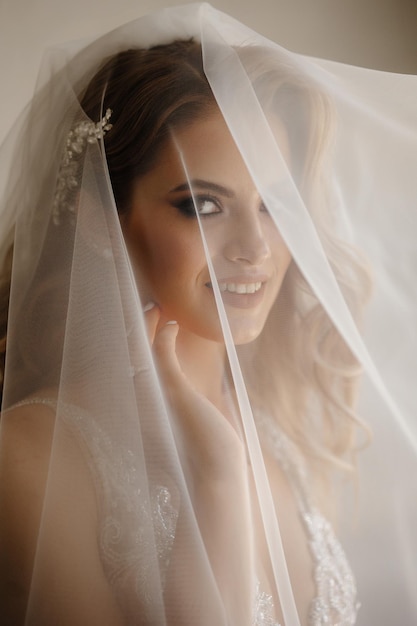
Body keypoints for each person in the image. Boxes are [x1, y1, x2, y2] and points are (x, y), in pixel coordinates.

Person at [0, 4, 416, 626]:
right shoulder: (28, 462)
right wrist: (218, 478)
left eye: (274, 204)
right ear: (99, 217)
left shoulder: (285, 430)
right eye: (202, 205)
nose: (256, 248)